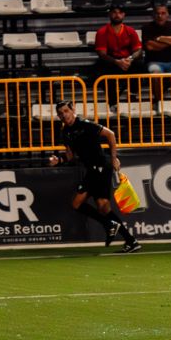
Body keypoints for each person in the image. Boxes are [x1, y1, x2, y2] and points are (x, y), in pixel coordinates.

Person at [49, 99, 141, 253]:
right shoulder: (65, 132)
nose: (64, 115)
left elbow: (110, 135)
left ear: (72, 110)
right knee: (103, 207)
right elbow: (70, 156)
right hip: (93, 170)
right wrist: (58, 160)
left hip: (100, 167)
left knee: (76, 203)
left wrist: (113, 158)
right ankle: (131, 241)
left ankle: (109, 225)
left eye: (66, 111)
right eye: (60, 113)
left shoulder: (85, 125)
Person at [94, 5, 144, 77]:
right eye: (114, 12)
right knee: (100, 66)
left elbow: (138, 50)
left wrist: (130, 59)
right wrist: (116, 62)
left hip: (127, 60)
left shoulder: (131, 31)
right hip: (111, 62)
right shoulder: (102, 32)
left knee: (139, 65)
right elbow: (102, 54)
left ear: (124, 15)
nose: (117, 15)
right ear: (109, 14)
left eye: (120, 12)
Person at [142, 3, 171, 74]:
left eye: (163, 13)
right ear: (153, 15)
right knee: (155, 73)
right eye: (157, 13)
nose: (160, 16)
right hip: (154, 62)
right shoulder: (146, 27)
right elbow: (150, 46)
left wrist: (161, 38)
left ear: (167, 15)